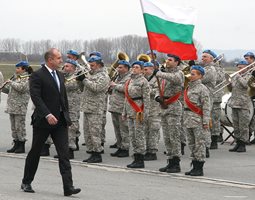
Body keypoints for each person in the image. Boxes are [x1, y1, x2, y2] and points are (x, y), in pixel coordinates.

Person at [21, 48, 81, 196]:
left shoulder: (60, 75)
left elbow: (63, 98)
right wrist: (47, 114)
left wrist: (66, 117)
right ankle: (26, 181)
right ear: (50, 60)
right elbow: (36, 97)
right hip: (43, 121)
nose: (62, 61)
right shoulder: (37, 75)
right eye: (59, 58)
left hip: (60, 122)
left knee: (64, 153)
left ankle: (68, 187)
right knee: (35, 152)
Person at [154, 54, 184, 173]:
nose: (168, 61)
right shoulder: (164, 73)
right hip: (163, 106)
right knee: (167, 137)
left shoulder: (179, 73)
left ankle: (176, 163)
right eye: (167, 59)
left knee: (174, 136)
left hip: (173, 107)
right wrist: (157, 97)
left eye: (171, 60)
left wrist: (159, 73)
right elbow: (158, 87)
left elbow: (176, 79)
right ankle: (170, 160)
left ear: (177, 62)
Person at [77, 55, 109, 163]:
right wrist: (79, 81)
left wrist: (85, 80)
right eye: (90, 65)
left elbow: (96, 88)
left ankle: (97, 153)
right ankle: (91, 152)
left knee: (95, 132)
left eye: (92, 65)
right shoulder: (90, 75)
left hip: (96, 108)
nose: (90, 67)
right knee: (87, 132)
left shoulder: (103, 76)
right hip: (87, 107)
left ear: (99, 65)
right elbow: (83, 89)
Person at [122, 61, 150, 168]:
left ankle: (140, 159)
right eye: (133, 67)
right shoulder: (129, 81)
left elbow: (147, 99)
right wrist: (124, 112)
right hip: (130, 110)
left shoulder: (144, 82)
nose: (134, 69)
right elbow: (126, 97)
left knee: (139, 136)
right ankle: (135, 157)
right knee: (132, 135)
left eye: (137, 67)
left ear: (142, 70)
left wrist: (145, 113)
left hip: (139, 110)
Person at [184, 65, 210, 176]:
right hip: (188, 119)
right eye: (191, 73)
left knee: (199, 144)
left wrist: (205, 121)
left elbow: (206, 106)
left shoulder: (202, 89)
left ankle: (199, 167)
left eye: (193, 74)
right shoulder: (188, 87)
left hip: (198, 120)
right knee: (191, 144)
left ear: (200, 76)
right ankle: (194, 166)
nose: (190, 75)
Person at [54, 59, 82, 159]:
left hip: (72, 107)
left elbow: (65, 86)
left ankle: (70, 151)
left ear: (73, 68)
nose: (64, 68)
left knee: (71, 129)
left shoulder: (76, 78)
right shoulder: (64, 76)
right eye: (64, 66)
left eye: (67, 66)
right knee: (62, 129)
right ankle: (63, 150)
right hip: (63, 106)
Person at [3, 61, 32, 153]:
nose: (16, 70)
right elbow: (11, 91)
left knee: (20, 126)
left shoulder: (27, 78)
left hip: (20, 106)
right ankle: (16, 143)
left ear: (24, 69)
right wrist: (4, 87)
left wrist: (11, 82)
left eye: (18, 68)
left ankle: (21, 144)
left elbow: (22, 88)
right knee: (14, 127)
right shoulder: (16, 78)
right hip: (12, 106)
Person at [108, 60, 131, 157]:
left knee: (124, 129)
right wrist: (110, 87)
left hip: (122, 107)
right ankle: (120, 146)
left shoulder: (129, 77)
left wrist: (115, 85)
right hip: (114, 106)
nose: (118, 68)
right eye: (118, 67)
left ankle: (125, 148)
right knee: (117, 129)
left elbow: (127, 89)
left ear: (126, 68)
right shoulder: (117, 76)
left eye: (121, 67)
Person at [228, 60, 251, 152]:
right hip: (234, 103)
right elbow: (231, 89)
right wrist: (229, 84)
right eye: (238, 67)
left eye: (241, 68)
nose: (239, 69)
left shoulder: (250, 76)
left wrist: (238, 77)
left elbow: (246, 85)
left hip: (243, 104)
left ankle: (243, 144)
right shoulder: (236, 77)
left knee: (243, 125)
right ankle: (237, 142)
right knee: (236, 125)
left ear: (246, 68)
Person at [143, 62, 161, 160]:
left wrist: (145, 90)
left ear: (152, 69)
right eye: (144, 69)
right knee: (146, 130)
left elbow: (158, 91)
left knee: (154, 130)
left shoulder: (157, 79)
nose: (144, 71)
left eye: (146, 69)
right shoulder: (143, 79)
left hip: (155, 108)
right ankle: (147, 149)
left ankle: (153, 151)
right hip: (145, 108)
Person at [200, 49, 217, 158]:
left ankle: (206, 146)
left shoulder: (210, 69)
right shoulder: (203, 68)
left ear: (211, 59)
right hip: (198, 99)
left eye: (205, 57)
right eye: (202, 57)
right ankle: (201, 146)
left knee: (205, 123)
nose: (203, 58)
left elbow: (199, 79)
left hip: (206, 99)